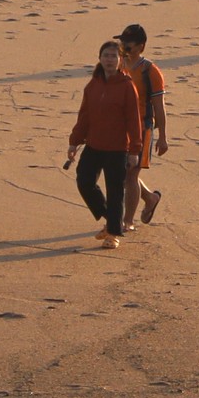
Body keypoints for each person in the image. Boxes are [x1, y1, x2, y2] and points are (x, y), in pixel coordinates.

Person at [62, 38, 145, 248]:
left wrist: (134, 151)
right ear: (100, 58)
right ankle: (111, 219)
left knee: (115, 191)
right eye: (106, 56)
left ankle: (113, 234)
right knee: (84, 181)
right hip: (94, 145)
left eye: (113, 56)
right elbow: (85, 116)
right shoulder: (93, 85)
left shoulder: (127, 86)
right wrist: (74, 142)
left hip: (118, 149)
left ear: (120, 60)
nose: (109, 60)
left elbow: (133, 120)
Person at [118, 24, 170, 227]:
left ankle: (127, 221)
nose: (123, 46)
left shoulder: (150, 71)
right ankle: (150, 198)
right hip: (120, 128)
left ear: (141, 46)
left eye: (128, 43)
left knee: (131, 174)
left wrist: (163, 137)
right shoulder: (117, 65)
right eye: (122, 42)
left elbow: (159, 107)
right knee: (123, 175)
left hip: (142, 128)